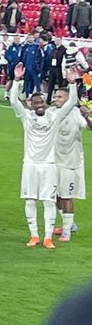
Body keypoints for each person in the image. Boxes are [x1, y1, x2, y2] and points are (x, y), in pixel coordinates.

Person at [9, 63, 79, 246]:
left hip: (48, 165)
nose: (39, 105)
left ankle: (48, 237)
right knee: (30, 200)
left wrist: (73, 83)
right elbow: (13, 101)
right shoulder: (26, 117)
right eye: (36, 102)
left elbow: (71, 103)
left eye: (42, 102)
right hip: (30, 164)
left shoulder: (54, 117)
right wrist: (16, 80)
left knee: (48, 201)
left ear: (45, 104)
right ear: (31, 105)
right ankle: (34, 235)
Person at [52, 84, 92, 241]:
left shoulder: (76, 114)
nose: (56, 99)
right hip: (54, 161)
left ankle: (67, 232)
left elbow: (90, 128)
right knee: (55, 196)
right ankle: (70, 224)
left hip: (71, 162)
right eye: (56, 96)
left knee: (67, 196)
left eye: (60, 97)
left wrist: (87, 116)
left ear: (69, 99)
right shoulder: (53, 113)